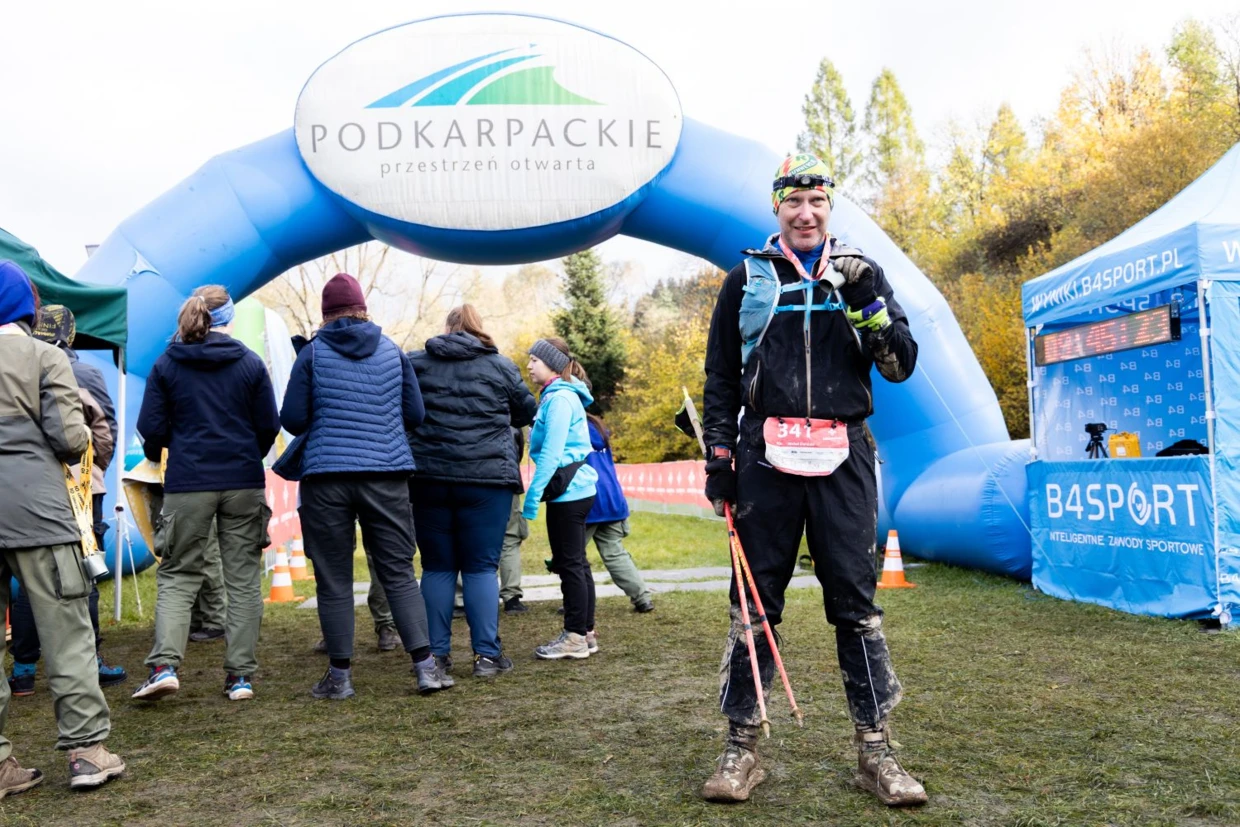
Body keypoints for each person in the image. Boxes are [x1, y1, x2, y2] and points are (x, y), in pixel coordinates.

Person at [699, 154, 925, 806]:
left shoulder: (859, 273)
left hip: (843, 453)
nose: (805, 214)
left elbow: (902, 364)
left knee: (855, 607)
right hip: (765, 455)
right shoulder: (747, 278)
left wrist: (868, 307)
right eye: (793, 203)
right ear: (777, 208)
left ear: (830, 209)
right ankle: (742, 747)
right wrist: (720, 457)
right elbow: (719, 376)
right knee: (753, 608)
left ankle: (876, 751)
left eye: (817, 203)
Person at [280, 272, 445, 699]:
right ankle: (426, 668)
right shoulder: (393, 352)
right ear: (363, 308)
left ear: (325, 313)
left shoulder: (312, 354)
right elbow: (416, 415)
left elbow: (293, 419)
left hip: (326, 478)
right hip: (387, 475)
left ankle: (340, 678)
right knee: (398, 572)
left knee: (333, 578)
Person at [0, 260, 124, 794]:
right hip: (38, 515)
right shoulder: (45, 356)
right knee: (68, 635)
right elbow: (73, 440)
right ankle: (86, 752)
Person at [132, 285, 280, 703]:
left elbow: (152, 428)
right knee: (243, 579)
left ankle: (164, 667)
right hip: (242, 480)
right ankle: (240, 678)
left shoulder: (167, 364)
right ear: (228, 318)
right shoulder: (250, 364)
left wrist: (163, 452)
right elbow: (269, 424)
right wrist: (247, 452)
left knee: (178, 575)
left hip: (188, 481)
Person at [407, 305, 537, 678]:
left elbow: (405, 410)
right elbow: (525, 411)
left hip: (429, 477)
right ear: (479, 329)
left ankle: (436, 656)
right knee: (481, 567)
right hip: (486, 480)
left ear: (447, 329)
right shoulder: (499, 365)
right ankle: (486, 656)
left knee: (436, 567)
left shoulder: (416, 364)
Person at [7, 304, 128, 695]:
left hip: (17, 495)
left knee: (26, 585)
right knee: (81, 578)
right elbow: (100, 433)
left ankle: (24, 668)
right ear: (70, 334)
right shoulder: (84, 372)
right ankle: (88, 661)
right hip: (73, 492)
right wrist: (91, 474)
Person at [523, 338, 599, 660]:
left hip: (568, 494)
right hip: (576, 490)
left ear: (551, 365)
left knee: (569, 566)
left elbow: (551, 454)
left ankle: (575, 638)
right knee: (577, 563)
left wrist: (531, 498)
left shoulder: (559, 400)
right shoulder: (559, 397)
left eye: (534, 361)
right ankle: (587, 632)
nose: (528, 366)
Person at [584, 414, 654, 614]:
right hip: (612, 496)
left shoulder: (571, 425)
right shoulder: (598, 427)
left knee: (571, 556)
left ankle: (575, 600)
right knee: (615, 553)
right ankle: (642, 597)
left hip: (586, 497)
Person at [498, 427, 531, 614]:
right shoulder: (509, 417)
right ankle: (511, 597)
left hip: (470, 483)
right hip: (507, 482)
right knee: (509, 539)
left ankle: (461, 599)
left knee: (465, 538)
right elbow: (517, 452)